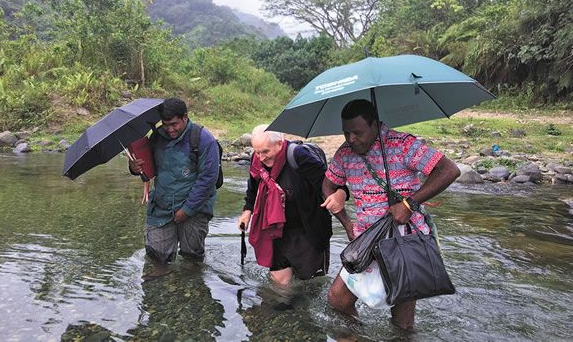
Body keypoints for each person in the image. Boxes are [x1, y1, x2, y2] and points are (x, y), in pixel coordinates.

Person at [321, 99, 460, 330]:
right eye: (346, 133)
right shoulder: (345, 153)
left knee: (402, 322)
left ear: (374, 125)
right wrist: (346, 223)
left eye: (357, 132)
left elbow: (449, 170)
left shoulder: (403, 144)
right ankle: (358, 335)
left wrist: (409, 203)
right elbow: (327, 185)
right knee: (337, 301)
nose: (351, 139)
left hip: (405, 241)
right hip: (365, 241)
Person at [237, 125, 348, 285]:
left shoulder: (299, 156)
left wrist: (341, 193)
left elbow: (330, 183)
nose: (261, 157)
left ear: (280, 144)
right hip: (277, 229)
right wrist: (247, 211)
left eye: (266, 152)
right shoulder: (257, 161)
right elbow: (253, 188)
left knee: (310, 285)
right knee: (280, 285)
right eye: (257, 151)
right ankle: (283, 309)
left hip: (307, 231)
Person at [129, 97, 220, 281]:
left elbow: (208, 179)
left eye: (174, 124)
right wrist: (134, 168)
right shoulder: (157, 137)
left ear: (185, 117)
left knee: (191, 257)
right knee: (157, 256)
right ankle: (164, 287)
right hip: (161, 206)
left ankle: (190, 287)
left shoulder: (203, 139)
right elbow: (148, 171)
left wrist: (187, 210)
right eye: (165, 124)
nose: (170, 129)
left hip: (194, 208)